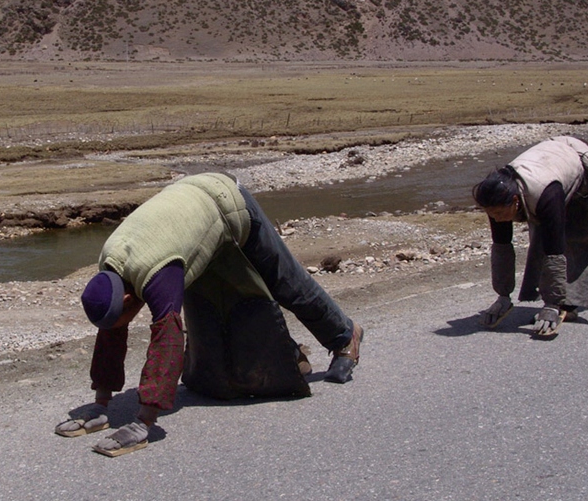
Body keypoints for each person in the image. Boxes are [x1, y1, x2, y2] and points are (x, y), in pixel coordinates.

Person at [55, 172, 363, 457]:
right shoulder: (108, 269)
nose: (125, 322)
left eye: (125, 315)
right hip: (190, 215)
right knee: (213, 310)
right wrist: (100, 405)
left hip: (226, 200)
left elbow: (168, 342)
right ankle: (289, 354)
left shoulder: (158, 272)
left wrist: (143, 422)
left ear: (125, 296)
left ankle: (344, 335)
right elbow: (111, 329)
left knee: (285, 284)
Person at [472, 136, 588, 338]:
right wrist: (503, 296)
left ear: (515, 201)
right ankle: (567, 301)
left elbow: (554, 251)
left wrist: (551, 305)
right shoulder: (495, 198)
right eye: (491, 214)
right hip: (554, 164)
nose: (496, 218)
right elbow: (502, 246)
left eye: (500, 214)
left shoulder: (546, 194)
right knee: (540, 237)